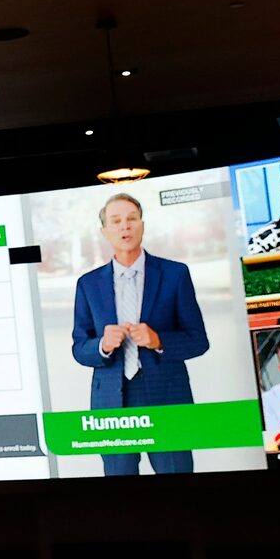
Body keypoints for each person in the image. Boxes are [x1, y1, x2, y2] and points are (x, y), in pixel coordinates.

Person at [69, 192, 213, 475]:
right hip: (112, 403)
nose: (125, 226)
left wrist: (159, 341)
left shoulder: (175, 274)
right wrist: (102, 346)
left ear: (142, 225)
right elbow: (79, 347)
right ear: (105, 231)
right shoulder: (88, 285)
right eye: (117, 221)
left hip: (167, 396)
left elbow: (198, 340)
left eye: (132, 219)